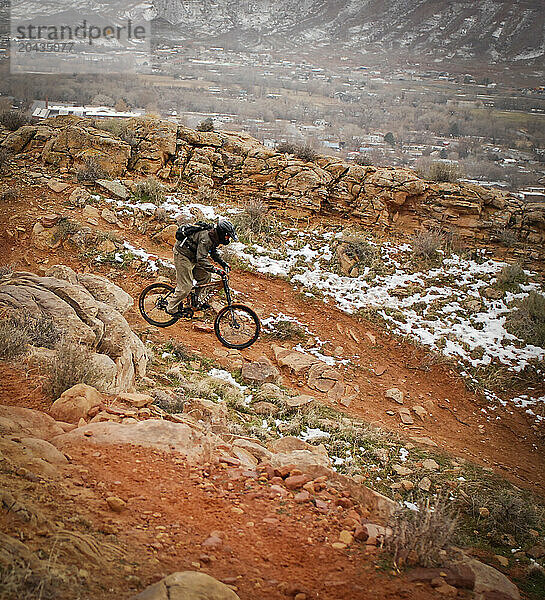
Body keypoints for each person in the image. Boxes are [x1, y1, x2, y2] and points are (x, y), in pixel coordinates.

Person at [166, 219, 237, 316]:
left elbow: (212, 252)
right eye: (227, 235)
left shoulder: (213, 236)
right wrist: (215, 269)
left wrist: (223, 263)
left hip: (193, 256)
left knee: (205, 276)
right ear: (222, 233)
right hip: (183, 255)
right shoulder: (206, 238)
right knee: (186, 286)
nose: (227, 238)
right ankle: (171, 308)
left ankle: (196, 301)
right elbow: (201, 259)